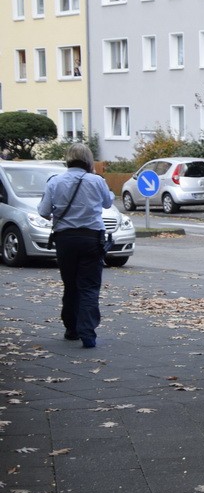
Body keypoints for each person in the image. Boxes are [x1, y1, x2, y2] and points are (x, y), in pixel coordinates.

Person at [37, 143, 114, 348]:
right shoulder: (97, 181)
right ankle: (88, 334)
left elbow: (43, 211)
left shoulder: (55, 182)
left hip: (65, 240)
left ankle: (71, 329)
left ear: (68, 159)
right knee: (89, 287)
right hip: (91, 239)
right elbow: (108, 203)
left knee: (70, 285)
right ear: (88, 161)